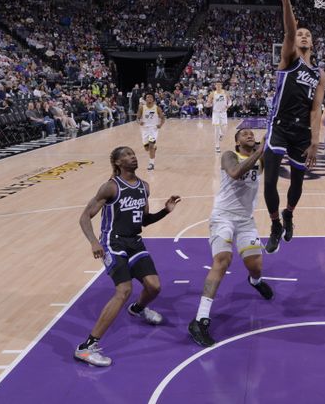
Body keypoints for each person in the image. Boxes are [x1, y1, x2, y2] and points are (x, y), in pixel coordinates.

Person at [75, 146, 181, 366]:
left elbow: (144, 220)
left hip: (134, 241)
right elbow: (85, 217)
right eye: (127, 155)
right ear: (117, 163)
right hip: (112, 242)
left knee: (154, 287)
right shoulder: (110, 187)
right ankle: (87, 347)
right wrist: (94, 242)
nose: (133, 157)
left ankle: (138, 308)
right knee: (124, 290)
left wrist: (165, 211)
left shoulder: (144, 187)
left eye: (133, 154)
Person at [188, 130, 273, 347]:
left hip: (246, 220)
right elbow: (235, 173)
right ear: (236, 142)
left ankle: (255, 281)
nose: (249, 135)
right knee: (222, 260)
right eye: (243, 134)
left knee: (255, 266)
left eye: (251, 134)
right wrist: (261, 150)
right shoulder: (229, 155)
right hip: (223, 217)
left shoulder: (261, 156)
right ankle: (200, 320)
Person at [262, 0, 325, 254]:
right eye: (301, 33)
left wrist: (315, 141)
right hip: (279, 125)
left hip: (302, 133)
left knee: (298, 183)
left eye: (307, 35)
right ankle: (275, 223)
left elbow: (316, 108)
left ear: (312, 43)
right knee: (269, 181)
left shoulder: (318, 73)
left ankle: (288, 213)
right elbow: (289, 31)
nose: (303, 36)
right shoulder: (288, 59)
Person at [136, 93, 165, 171]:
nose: (149, 98)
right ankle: (153, 148)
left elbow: (163, 118)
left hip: (153, 129)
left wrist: (160, 125)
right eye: (148, 97)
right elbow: (137, 118)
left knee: (151, 145)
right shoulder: (142, 108)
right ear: (145, 99)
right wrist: (139, 122)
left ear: (153, 99)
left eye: (151, 97)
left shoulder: (157, 108)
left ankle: (151, 164)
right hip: (145, 129)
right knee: (147, 148)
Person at [210, 82, 230, 154]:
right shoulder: (212, 93)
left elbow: (230, 102)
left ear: (221, 86)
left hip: (223, 113)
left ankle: (221, 134)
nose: (218, 86)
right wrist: (208, 104)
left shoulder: (225, 93)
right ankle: (217, 146)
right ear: (215, 86)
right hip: (216, 113)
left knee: (224, 128)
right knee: (216, 128)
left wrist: (228, 106)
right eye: (217, 85)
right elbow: (209, 102)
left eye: (219, 85)